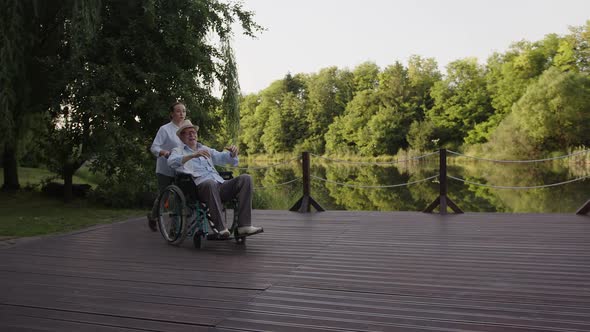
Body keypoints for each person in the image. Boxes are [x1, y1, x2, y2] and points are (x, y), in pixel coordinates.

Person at [167, 120, 263, 238]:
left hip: (220, 185)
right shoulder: (178, 151)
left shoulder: (205, 148)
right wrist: (192, 155)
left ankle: (244, 226)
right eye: (187, 133)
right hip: (198, 188)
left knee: (246, 178)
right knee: (210, 183)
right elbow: (171, 162)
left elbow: (223, 157)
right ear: (181, 137)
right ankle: (221, 229)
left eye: (193, 132)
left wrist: (232, 154)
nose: (192, 135)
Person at [147, 101, 186, 231]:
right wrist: (163, 152)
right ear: (172, 114)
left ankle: (174, 228)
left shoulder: (186, 128)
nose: (182, 113)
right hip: (165, 169)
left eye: (184, 111)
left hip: (181, 169)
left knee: (178, 198)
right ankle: (153, 216)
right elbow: (154, 147)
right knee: (164, 197)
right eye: (178, 111)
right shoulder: (165, 129)